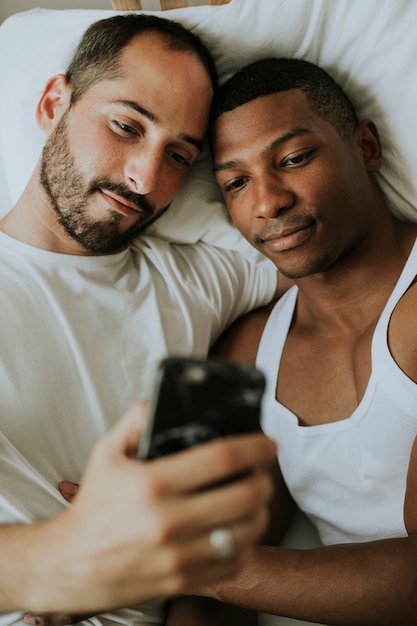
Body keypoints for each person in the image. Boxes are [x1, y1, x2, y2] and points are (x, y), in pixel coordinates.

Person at [0, 14, 280, 626]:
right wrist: (65, 559)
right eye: (127, 126)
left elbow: (348, 253)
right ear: (54, 103)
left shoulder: (199, 279)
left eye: (179, 155)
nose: (146, 179)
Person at [164, 57, 417, 625]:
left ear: (366, 148)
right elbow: (217, 559)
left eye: (294, 159)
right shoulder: (246, 347)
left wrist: (181, 561)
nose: (268, 202)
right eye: (235, 182)